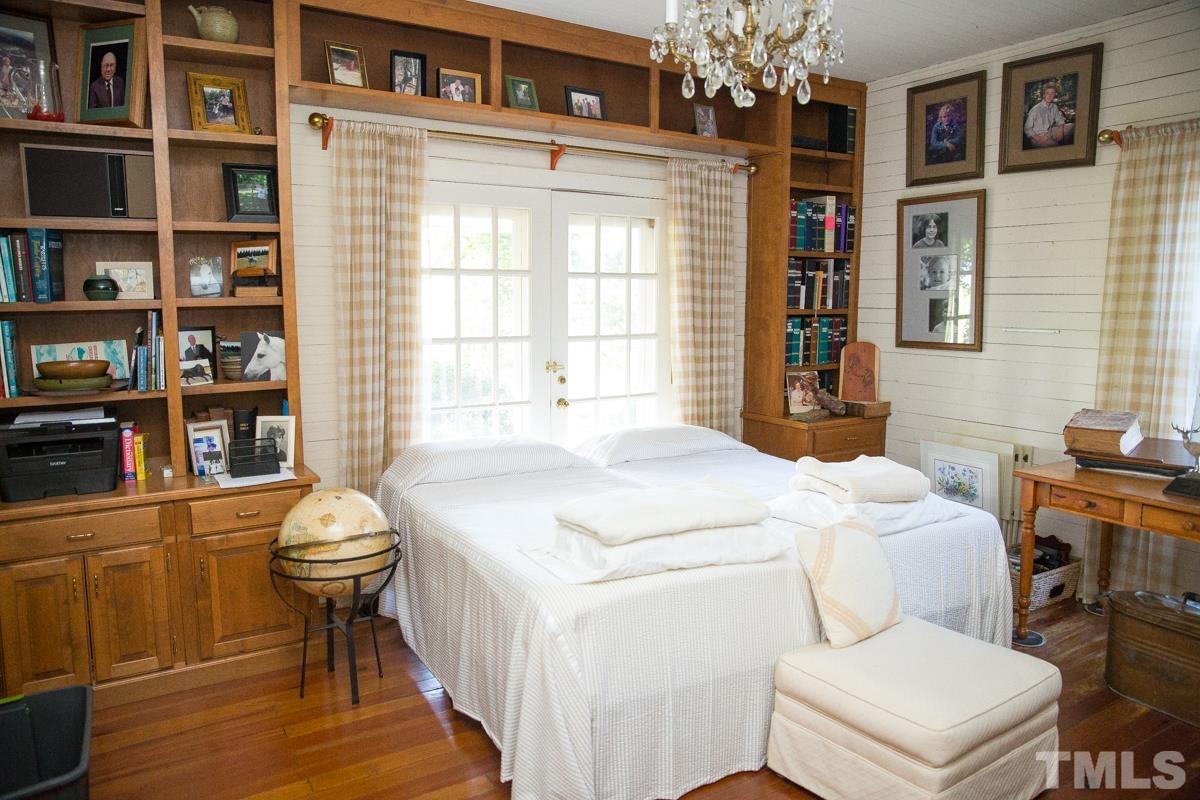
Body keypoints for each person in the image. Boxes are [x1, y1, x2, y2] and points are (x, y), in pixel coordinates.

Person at [1023, 82, 1074, 148]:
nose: (1049, 95)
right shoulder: (1035, 110)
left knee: (1072, 126)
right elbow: (1027, 129)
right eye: (1047, 93)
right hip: (1038, 136)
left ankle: (1066, 143)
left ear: (1054, 94)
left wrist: (1060, 130)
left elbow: (1060, 119)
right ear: (1044, 95)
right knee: (1055, 147)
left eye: (1052, 93)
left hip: (1050, 131)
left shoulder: (1054, 107)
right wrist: (1039, 138)